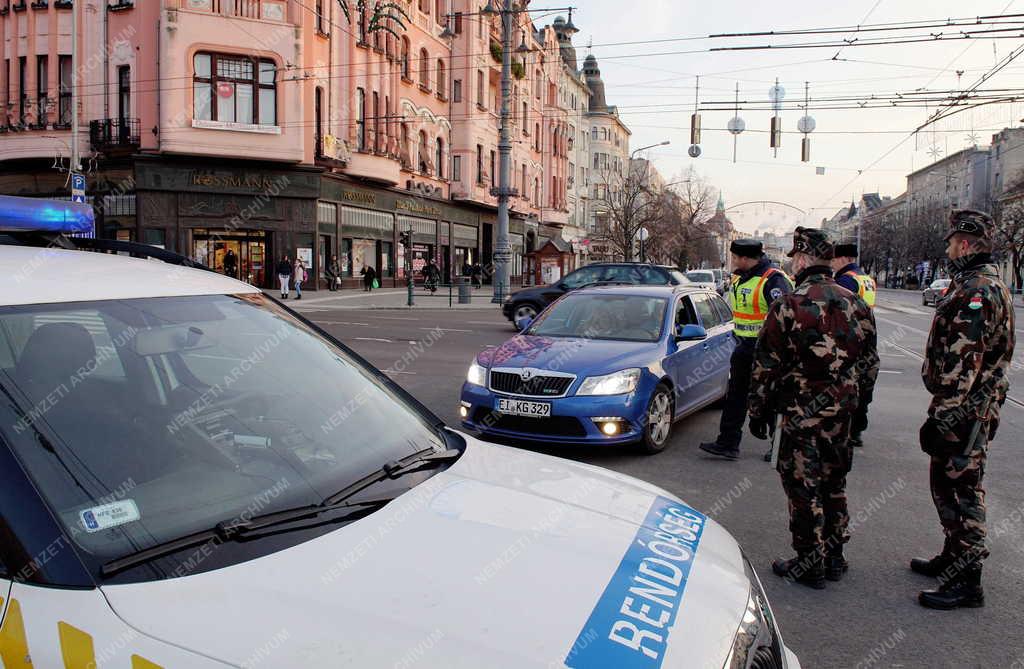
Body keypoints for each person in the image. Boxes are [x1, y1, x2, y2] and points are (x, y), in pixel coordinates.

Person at [747, 227, 879, 589]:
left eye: (795, 257)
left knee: (802, 485)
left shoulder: (789, 304)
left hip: (801, 413)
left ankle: (809, 561)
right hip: (843, 414)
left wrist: (757, 411)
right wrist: (857, 404)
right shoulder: (856, 303)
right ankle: (835, 556)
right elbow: (870, 364)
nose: (793, 263)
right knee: (834, 481)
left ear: (803, 259)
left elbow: (766, 365)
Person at [913, 209, 1015, 610]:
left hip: (964, 413)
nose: (949, 248)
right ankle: (953, 557)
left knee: (962, 491)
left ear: (967, 245)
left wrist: (944, 417)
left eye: (953, 242)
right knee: (948, 485)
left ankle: (968, 580)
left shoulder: (977, 292)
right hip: (970, 409)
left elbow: (962, 363)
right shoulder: (983, 284)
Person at [699, 239, 793, 460]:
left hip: (768, 352)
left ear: (744, 258)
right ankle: (728, 443)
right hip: (742, 347)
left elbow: (786, 318)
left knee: (771, 398)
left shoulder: (773, 280)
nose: (732, 261)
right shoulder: (742, 278)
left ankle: (779, 448)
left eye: (734, 257)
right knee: (736, 396)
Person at [831, 242, 877, 449]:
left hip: (850, 339)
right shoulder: (866, 279)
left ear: (842, 259)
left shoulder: (846, 281)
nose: (832, 264)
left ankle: (848, 431)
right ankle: (857, 430)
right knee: (864, 387)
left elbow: (839, 312)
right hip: (867, 339)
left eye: (833, 260)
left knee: (849, 387)